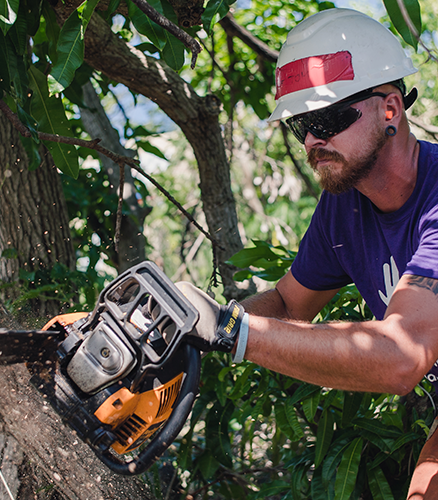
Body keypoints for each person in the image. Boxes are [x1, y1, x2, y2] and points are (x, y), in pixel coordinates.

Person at [174, 8, 438, 500]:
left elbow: (402, 358)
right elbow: (289, 304)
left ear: (390, 109)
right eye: (302, 126)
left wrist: (233, 333)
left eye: (328, 118)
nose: (313, 140)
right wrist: (191, 325)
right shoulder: (343, 210)